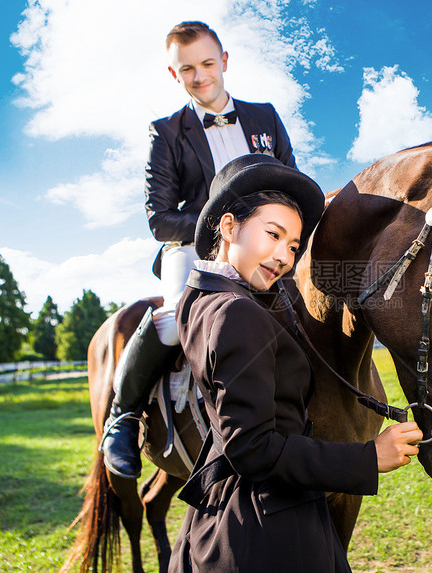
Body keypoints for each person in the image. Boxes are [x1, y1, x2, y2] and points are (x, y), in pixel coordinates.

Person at [167, 154, 423, 573]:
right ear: (228, 227)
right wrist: (367, 458)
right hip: (269, 534)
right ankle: (125, 415)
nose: (284, 256)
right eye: (273, 234)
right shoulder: (237, 313)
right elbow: (250, 448)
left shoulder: (200, 298)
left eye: (293, 246)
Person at [101, 21, 297, 479]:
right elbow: (159, 218)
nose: (200, 76)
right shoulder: (166, 132)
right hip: (191, 246)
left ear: (224, 62)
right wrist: (221, 228)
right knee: (173, 319)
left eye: (208, 63)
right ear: (175, 75)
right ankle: (123, 417)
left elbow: (291, 183)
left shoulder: (265, 117)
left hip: (265, 243)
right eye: (186, 69)